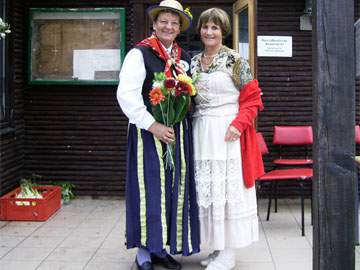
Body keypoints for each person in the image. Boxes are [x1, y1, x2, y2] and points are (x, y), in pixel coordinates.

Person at [117, 1, 200, 270]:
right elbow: (127, 96)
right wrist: (153, 125)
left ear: (179, 28)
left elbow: (190, 94)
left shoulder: (184, 58)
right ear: (154, 24)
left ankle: (161, 247)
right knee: (148, 190)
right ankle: (144, 250)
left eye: (174, 23)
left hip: (177, 135)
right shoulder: (139, 54)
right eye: (164, 21)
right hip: (148, 135)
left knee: (173, 191)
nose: (169, 26)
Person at [190, 8, 264, 270]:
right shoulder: (193, 62)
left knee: (227, 190)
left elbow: (253, 100)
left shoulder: (236, 61)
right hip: (201, 131)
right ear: (200, 30)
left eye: (215, 28)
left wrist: (238, 125)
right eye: (205, 27)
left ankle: (229, 252)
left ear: (224, 32)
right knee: (209, 191)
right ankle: (217, 246)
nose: (209, 32)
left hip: (228, 132)